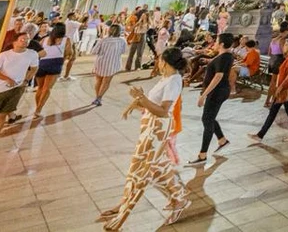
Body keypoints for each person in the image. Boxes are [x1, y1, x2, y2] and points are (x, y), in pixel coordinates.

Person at [97, 47, 191, 230]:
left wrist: (140, 97)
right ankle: (179, 200)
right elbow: (152, 103)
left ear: (164, 61)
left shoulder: (173, 80)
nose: (157, 62)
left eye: (159, 59)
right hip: (151, 127)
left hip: (158, 129)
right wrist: (137, 103)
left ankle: (125, 208)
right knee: (157, 167)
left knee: (139, 169)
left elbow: (164, 111)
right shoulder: (167, 79)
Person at [0, 32, 39, 152]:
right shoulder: (4, 55)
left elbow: (34, 68)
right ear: (14, 41)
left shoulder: (32, 54)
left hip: (17, 89)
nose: (25, 42)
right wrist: (7, 79)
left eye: (27, 40)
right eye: (22, 39)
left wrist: (26, 80)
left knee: (3, 115)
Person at [189, 32, 235, 165]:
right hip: (218, 91)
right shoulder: (224, 56)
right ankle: (222, 140)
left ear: (221, 44)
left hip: (217, 92)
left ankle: (202, 155)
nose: (214, 43)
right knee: (208, 118)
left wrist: (204, 95)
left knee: (207, 120)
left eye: (216, 41)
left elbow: (218, 76)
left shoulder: (224, 57)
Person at [248, 37, 288, 143]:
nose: (284, 46)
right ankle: (261, 135)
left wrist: (279, 88)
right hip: (285, 89)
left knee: (284, 111)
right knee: (284, 111)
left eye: (286, 44)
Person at [33, 21, 69, 117]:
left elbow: (38, 50)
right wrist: (63, 58)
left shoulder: (45, 39)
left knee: (40, 88)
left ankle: (38, 107)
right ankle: (38, 109)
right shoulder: (66, 40)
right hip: (56, 63)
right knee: (47, 88)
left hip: (42, 63)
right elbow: (69, 52)